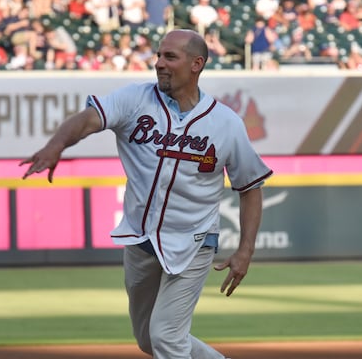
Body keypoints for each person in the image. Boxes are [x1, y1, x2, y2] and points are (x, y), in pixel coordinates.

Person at [21, 29, 272, 359]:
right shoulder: (135, 100)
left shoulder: (225, 123)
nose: (159, 64)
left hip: (195, 240)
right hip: (141, 238)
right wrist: (56, 145)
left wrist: (245, 250)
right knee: (148, 340)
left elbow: (250, 188)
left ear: (197, 63)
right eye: (158, 55)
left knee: (166, 336)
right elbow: (87, 120)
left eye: (170, 57)